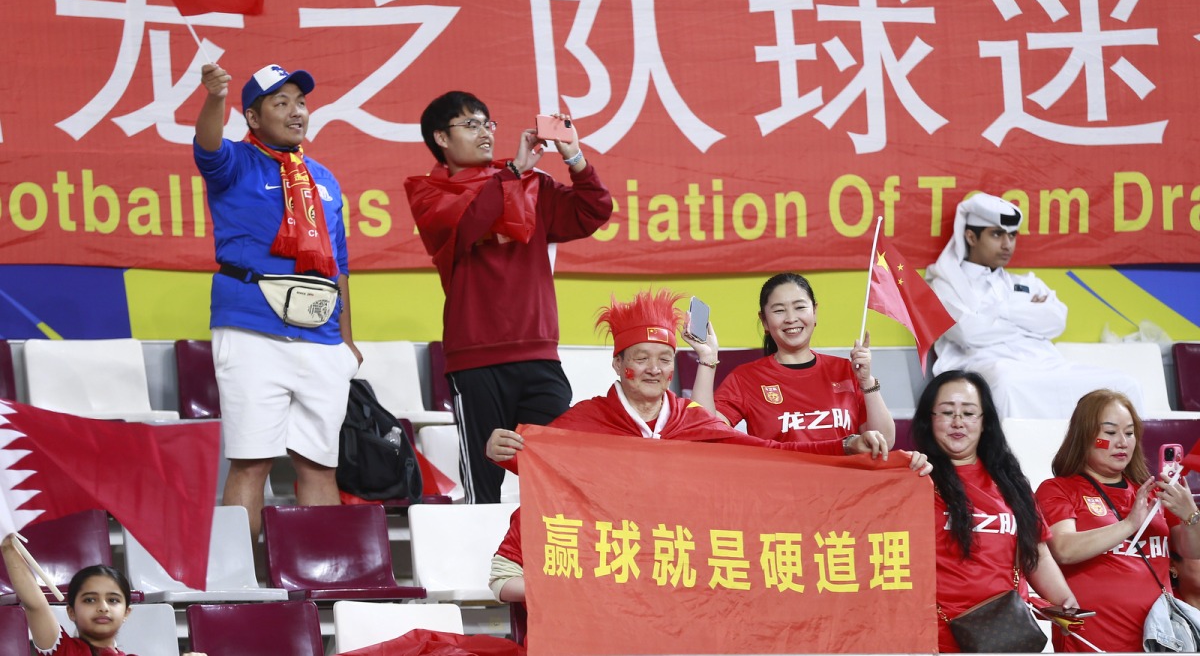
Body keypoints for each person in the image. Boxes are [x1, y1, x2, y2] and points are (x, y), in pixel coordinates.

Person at [487, 289, 932, 602]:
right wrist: (502, 452)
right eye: (640, 359)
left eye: (664, 359)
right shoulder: (586, 419)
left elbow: (765, 453)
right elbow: (545, 465)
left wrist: (845, 446)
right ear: (619, 364)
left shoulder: (689, 420)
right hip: (609, 567)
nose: (653, 370)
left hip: (669, 565)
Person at [405, 92, 612, 504]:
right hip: (475, 359)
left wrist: (573, 157)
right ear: (441, 138)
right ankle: (481, 569)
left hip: (538, 355)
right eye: (471, 125)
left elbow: (593, 211)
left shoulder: (531, 185)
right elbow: (469, 221)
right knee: (483, 486)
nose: (484, 132)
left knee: (561, 475)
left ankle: (549, 567)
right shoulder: (428, 193)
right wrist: (513, 171)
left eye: (488, 123)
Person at [196, 63, 362, 538]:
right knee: (252, 463)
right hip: (251, 328)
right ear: (252, 117)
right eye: (281, 102)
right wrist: (213, 99)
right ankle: (242, 586)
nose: (296, 112)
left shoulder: (325, 178)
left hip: (321, 335)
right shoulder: (234, 163)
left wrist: (346, 342)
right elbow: (207, 144)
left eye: (301, 102)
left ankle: (322, 579)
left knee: (319, 464)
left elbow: (340, 265)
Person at [925, 192, 1145, 418]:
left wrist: (999, 311)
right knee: (1008, 383)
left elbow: (1057, 321)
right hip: (986, 367)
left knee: (1125, 385)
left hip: (1046, 364)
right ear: (971, 237)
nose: (1006, 244)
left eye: (1012, 236)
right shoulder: (946, 284)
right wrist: (1028, 316)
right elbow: (968, 333)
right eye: (997, 234)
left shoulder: (1026, 283)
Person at [911, 370, 1078, 653]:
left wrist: (1065, 600)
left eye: (969, 413)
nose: (958, 422)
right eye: (947, 412)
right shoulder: (914, 478)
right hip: (936, 637)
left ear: (984, 421)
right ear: (929, 419)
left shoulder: (1010, 481)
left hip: (1005, 634)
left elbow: (1034, 553)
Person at [1035, 389, 1200, 652]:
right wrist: (1128, 525)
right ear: (1084, 436)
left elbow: (1192, 550)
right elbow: (1063, 549)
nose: (1122, 442)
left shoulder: (1153, 492)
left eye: (1130, 432)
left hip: (1160, 641)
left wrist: (1191, 516)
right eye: (1110, 433)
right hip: (1092, 642)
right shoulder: (1058, 489)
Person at [689, 272, 895, 447]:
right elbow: (706, 433)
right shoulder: (746, 378)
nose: (790, 318)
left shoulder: (846, 370)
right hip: (781, 489)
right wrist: (707, 359)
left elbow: (884, 441)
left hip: (845, 489)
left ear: (814, 312)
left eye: (800, 307)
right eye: (779, 310)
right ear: (765, 321)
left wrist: (867, 381)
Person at [1, 535, 207, 655]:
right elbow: (35, 604)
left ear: (126, 612)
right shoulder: (62, 649)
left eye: (113, 600)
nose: (103, 607)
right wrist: (8, 548)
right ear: (71, 611)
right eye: (90, 599)